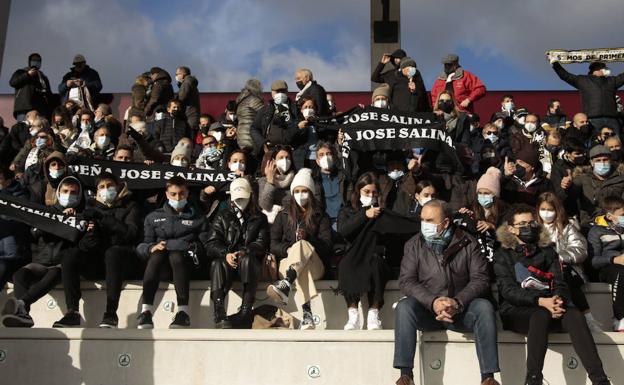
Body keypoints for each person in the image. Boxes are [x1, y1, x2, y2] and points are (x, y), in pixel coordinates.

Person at [494, 204, 611, 385]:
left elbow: (560, 282)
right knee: (540, 314)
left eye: (532, 222)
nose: (529, 227)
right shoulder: (503, 255)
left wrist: (557, 300)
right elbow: (508, 291)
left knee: (574, 315)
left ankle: (599, 379)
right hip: (518, 312)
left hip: (552, 307)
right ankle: (533, 378)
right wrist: (541, 301)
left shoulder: (548, 250)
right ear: (511, 229)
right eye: (522, 223)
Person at [393, 199, 500, 385]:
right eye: (422, 220)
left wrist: (456, 302)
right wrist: (433, 302)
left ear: (446, 223)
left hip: (461, 311)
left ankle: (488, 378)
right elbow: (407, 281)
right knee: (404, 307)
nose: (424, 225)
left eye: (430, 220)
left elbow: (481, 279)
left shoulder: (468, 243)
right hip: (427, 311)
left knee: (484, 307)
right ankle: (405, 376)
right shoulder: (414, 244)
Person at [53, 172, 141, 328]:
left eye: (109, 186)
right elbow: (84, 246)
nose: (106, 189)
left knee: (112, 252)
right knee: (70, 254)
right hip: (97, 263)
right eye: (101, 187)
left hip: (122, 263)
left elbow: (130, 234)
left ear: (118, 187)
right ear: (96, 191)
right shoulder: (90, 209)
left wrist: (103, 218)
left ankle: (111, 313)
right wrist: (91, 233)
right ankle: (72, 312)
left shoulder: (130, 206)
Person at [1, 176, 84, 327]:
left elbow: (84, 242)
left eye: (73, 192)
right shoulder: (45, 212)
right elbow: (33, 234)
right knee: (20, 275)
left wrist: (73, 220)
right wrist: (54, 222)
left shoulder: (83, 215)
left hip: (60, 264)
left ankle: (20, 304)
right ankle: (24, 312)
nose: (69, 195)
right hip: (41, 261)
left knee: (53, 274)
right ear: (58, 193)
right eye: (65, 191)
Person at [267, 168, 332, 330]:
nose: (301, 194)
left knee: (302, 245)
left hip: (315, 264)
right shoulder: (282, 215)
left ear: (310, 193)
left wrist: (308, 240)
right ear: (292, 192)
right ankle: (307, 315)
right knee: (300, 262)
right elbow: (273, 244)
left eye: (304, 191)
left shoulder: (320, 216)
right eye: (297, 191)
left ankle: (286, 284)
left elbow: (327, 245)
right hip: (288, 263)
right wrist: (289, 249)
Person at [136, 176, 204, 329]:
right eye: (173, 194)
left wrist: (177, 245)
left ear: (187, 193)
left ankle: (183, 313)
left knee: (176, 256)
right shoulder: (153, 217)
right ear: (166, 194)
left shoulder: (198, 217)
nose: (178, 197)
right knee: (157, 254)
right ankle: (146, 312)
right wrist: (150, 248)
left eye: (181, 193)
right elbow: (142, 245)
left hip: (187, 265)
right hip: (160, 266)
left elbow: (205, 244)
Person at [202, 177, 269, 328]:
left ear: (251, 195)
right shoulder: (222, 216)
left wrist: (244, 252)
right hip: (228, 263)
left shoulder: (260, 218)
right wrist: (226, 253)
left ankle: (246, 309)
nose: (240, 202)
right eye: (237, 198)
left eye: (243, 198)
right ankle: (219, 310)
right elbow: (211, 243)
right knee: (217, 263)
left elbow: (261, 243)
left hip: (249, 263)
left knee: (248, 260)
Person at [535, 192, 601, 331]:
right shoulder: (533, 228)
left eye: (550, 210)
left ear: (557, 210)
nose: (546, 213)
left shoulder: (567, 227)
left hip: (569, 270)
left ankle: (588, 319)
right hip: (541, 272)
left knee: (564, 277)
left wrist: (561, 256)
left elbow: (580, 250)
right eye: (543, 209)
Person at [337, 172, 391, 330]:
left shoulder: (381, 212)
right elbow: (343, 231)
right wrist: (364, 215)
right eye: (367, 191)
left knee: (376, 264)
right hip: (353, 254)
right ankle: (353, 312)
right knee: (347, 265)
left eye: (374, 192)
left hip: (375, 254)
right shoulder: (347, 210)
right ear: (358, 191)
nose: (371, 195)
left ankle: (374, 312)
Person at [551, 59, 624, 133]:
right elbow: (565, 76)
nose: (606, 70)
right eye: (604, 68)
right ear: (597, 69)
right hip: (592, 120)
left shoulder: (612, 81)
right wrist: (555, 64)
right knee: (593, 142)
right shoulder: (583, 80)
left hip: (611, 119)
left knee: (616, 141)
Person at [587, 196, 624, 332]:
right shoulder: (596, 231)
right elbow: (593, 261)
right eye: (622, 215)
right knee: (621, 273)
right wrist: (614, 259)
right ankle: (619, 318)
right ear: (610, 215)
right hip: (606, 267)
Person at [569, 145, 624, 227]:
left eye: (605, 160)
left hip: (616, 224)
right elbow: (569, 197)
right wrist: (567, 187)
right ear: (591, 162)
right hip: (589, 225)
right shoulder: (582, 180)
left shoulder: (621, 179)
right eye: (598, 160)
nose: (602, 163)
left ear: (611, 161)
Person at [250, 80, 299, 158]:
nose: (280, 94)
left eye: (282, 91)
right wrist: (262, 144)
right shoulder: (264, 110)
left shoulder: (296, 108)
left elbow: (300, 128)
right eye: (277, 91)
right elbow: (254, 128)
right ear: (272, 93)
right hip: (270, 150)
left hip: (291, 151)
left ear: (287, 92)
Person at [258, 145, 296, 223]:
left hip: (290, 221)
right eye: (281, 157)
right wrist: (270, 182)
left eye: (287, 157)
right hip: (271, 223)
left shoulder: (295, 179)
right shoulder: (263, 181)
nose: (285, 161)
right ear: (274, 160)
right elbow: (265, 206)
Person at [9, 53, 52, 120]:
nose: (36, 62)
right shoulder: (21, 72)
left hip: (40, 110)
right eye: (34, 60)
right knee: (23, 128)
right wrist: (27, 75)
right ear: (29, 62)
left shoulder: (43, 77)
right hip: (24, 108)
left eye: (38, 61)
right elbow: (13, 82)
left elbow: (48, 94)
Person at [235, 79, 264, 150]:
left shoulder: (241, 102)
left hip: (241, 136)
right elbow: (265, 113)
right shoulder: (253, 99)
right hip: (251, 136)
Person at [175, 66, 200, 133]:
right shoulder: (190, 83)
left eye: (177, 74)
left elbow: (181, 98)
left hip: (189, 116)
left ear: (182, 75)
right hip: (192, 115)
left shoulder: (186, 83)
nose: (176, 76)